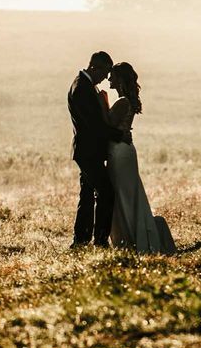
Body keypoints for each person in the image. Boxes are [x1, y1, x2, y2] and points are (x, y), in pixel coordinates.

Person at [106, 62, 176, 254]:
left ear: (119, 79)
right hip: (124, 151)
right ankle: (133, 237)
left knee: (123, 195)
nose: (109, 79)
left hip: (119, 152)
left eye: (112, 76)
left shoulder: (122, 102)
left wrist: (100, 104)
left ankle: (130, 239)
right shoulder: (126, 101)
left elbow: (107, 126)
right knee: (127, 193)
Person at [68, 51, 127, 248]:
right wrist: (119, 135)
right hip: (88, 152)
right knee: (106, 192)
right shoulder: (82, 88)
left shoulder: (85, 85)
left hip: (88, 151)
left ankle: (81, 239)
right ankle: (100, 240)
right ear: (94, 67)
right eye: (105, 72)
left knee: (87, 194)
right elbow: (94, 125)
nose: (105, 78)